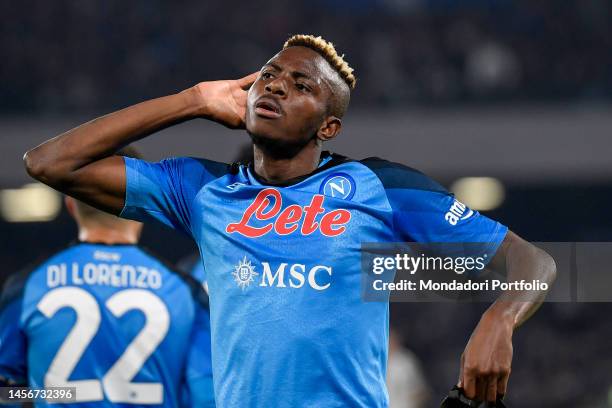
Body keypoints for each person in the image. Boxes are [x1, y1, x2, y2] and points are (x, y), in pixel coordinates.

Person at [23, 34, 556, 407]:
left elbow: (533, 262)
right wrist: (192, 100)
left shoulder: (380, 188)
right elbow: (51, 163)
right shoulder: (203, 190)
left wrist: (499, 319)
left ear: (329, 128)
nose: (275, 86)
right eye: (270, 75)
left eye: (301, 85)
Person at [0, 149, 215, 407]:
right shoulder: (185, 292)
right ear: (144, 208)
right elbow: (205, 396)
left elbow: (6, 392)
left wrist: (44, 395)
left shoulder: (28, 286)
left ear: (70, 205)